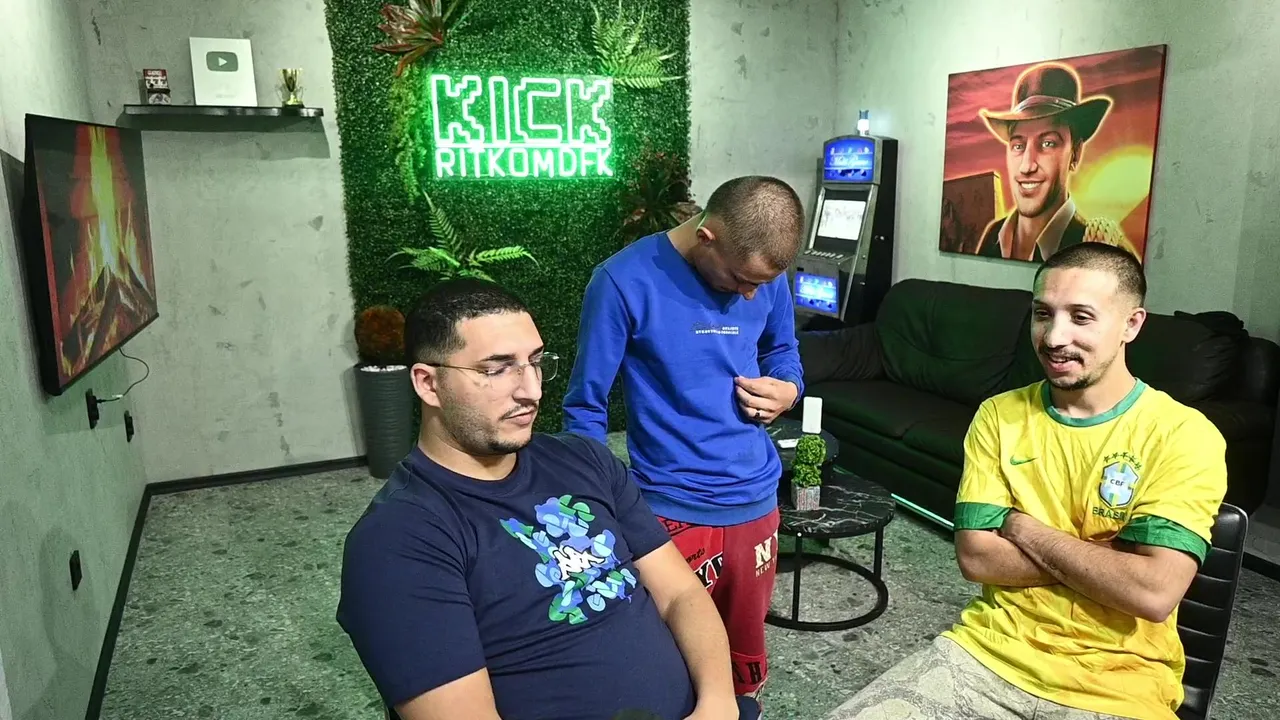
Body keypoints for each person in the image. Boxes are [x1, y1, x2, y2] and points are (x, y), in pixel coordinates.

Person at [826, 242, 1227, 720]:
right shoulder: (999, 416)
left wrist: (1023, 528)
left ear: (1131, 324)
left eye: (1081, 317)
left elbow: (1152, 592)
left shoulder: (1183, 434)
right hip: (984, 656)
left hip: (1120, 685)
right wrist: (1107, 560)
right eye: (1043, 314)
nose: (1054, 337)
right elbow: (977, 558)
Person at [336, 278, 759, 720]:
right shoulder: (397, 540)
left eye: (535, 362)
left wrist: (717, 702)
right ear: (428, 384)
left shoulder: (584, 460)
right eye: (497, 369)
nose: (532, 391)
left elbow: (681, 594)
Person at [563, 175, 807, 700]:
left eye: (761, 284)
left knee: (742, 663)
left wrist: (788, 388)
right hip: (668, 510)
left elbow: (782, 349)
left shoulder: (763, 274)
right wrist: (597, 508)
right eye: (741, 279)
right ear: (706, 236)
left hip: (757, 502)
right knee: (667, 663)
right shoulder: (621, 281)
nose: (750, 294)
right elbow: (585, 407)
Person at [975, 61, 1133, 261]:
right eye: (1018, 145)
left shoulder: (1101, 250)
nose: (1027, 166)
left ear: (1075, 153)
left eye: (1048, 143)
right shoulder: (993, 237)